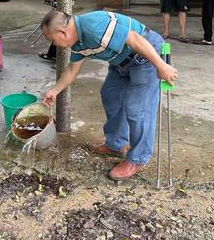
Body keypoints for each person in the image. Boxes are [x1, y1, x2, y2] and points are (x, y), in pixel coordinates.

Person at [40, 10, 178, 181]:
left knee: (138, 109)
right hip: (121, 62)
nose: (54, 45)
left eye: (53, 40)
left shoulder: (94, 25)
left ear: (63, 32)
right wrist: (54, 90)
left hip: (145, 54)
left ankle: (137, 159)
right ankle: (116, 145)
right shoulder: (78, 42)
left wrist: (161, 66)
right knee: (110, 95)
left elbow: (134, 39)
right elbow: (71, 70)